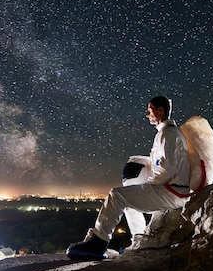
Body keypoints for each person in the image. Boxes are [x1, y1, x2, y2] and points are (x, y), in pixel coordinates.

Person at [66, 95, 191, 259]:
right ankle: (139, 240)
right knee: (129, 203)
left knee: (116, 196)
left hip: (172, 191)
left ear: (160, 110)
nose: (147, 114)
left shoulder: (168, 134)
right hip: (174, 190)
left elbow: (167, 168)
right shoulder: (168, 133)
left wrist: (148, 185)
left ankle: (97, 243)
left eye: (149, 110)